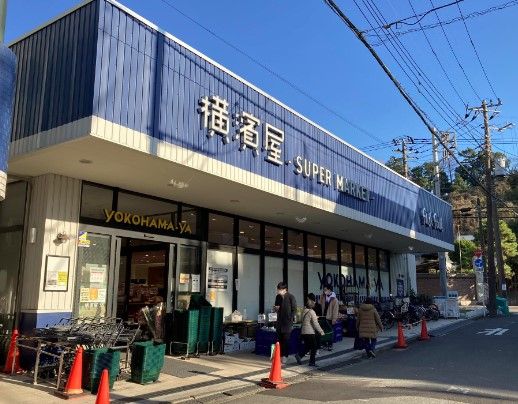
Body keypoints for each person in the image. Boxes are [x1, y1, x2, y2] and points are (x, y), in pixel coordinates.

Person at [295, 295, 325, 367]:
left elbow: (304, 320)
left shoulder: (304, 311)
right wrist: (321, 331)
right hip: (310, 332)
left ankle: (299, 355)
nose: (314, 304)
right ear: (312, 305)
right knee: (314, 347)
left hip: (304, 332)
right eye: (314, 303)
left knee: (308, 346)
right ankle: (312, 362)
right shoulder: (312, 312)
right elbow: (315, 324)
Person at [274, 282, 297, 364]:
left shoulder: (291, 297)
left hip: (287, 323)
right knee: (279, 340)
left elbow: (294, 309)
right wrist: (276, 308)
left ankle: (285, 356)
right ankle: (279, 355)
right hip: (279, 322)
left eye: (279, 289)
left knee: (286, 340)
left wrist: (291, 319)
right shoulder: (278, 297)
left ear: (284, 289)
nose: (278, 291)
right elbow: (276, 307)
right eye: (277, 289)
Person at [319, 284, 339, 350]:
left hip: (330, 317)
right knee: (323, 331)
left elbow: (335, 310)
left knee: (330, 332)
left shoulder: (334, 299)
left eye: (325, 290)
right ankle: (324, 343)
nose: (324, 291)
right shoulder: (323, 296)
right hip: (323, 316)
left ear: (329, 290)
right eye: (324, 290)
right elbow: (320, 305)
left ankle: (330, 344)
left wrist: (334, 319)